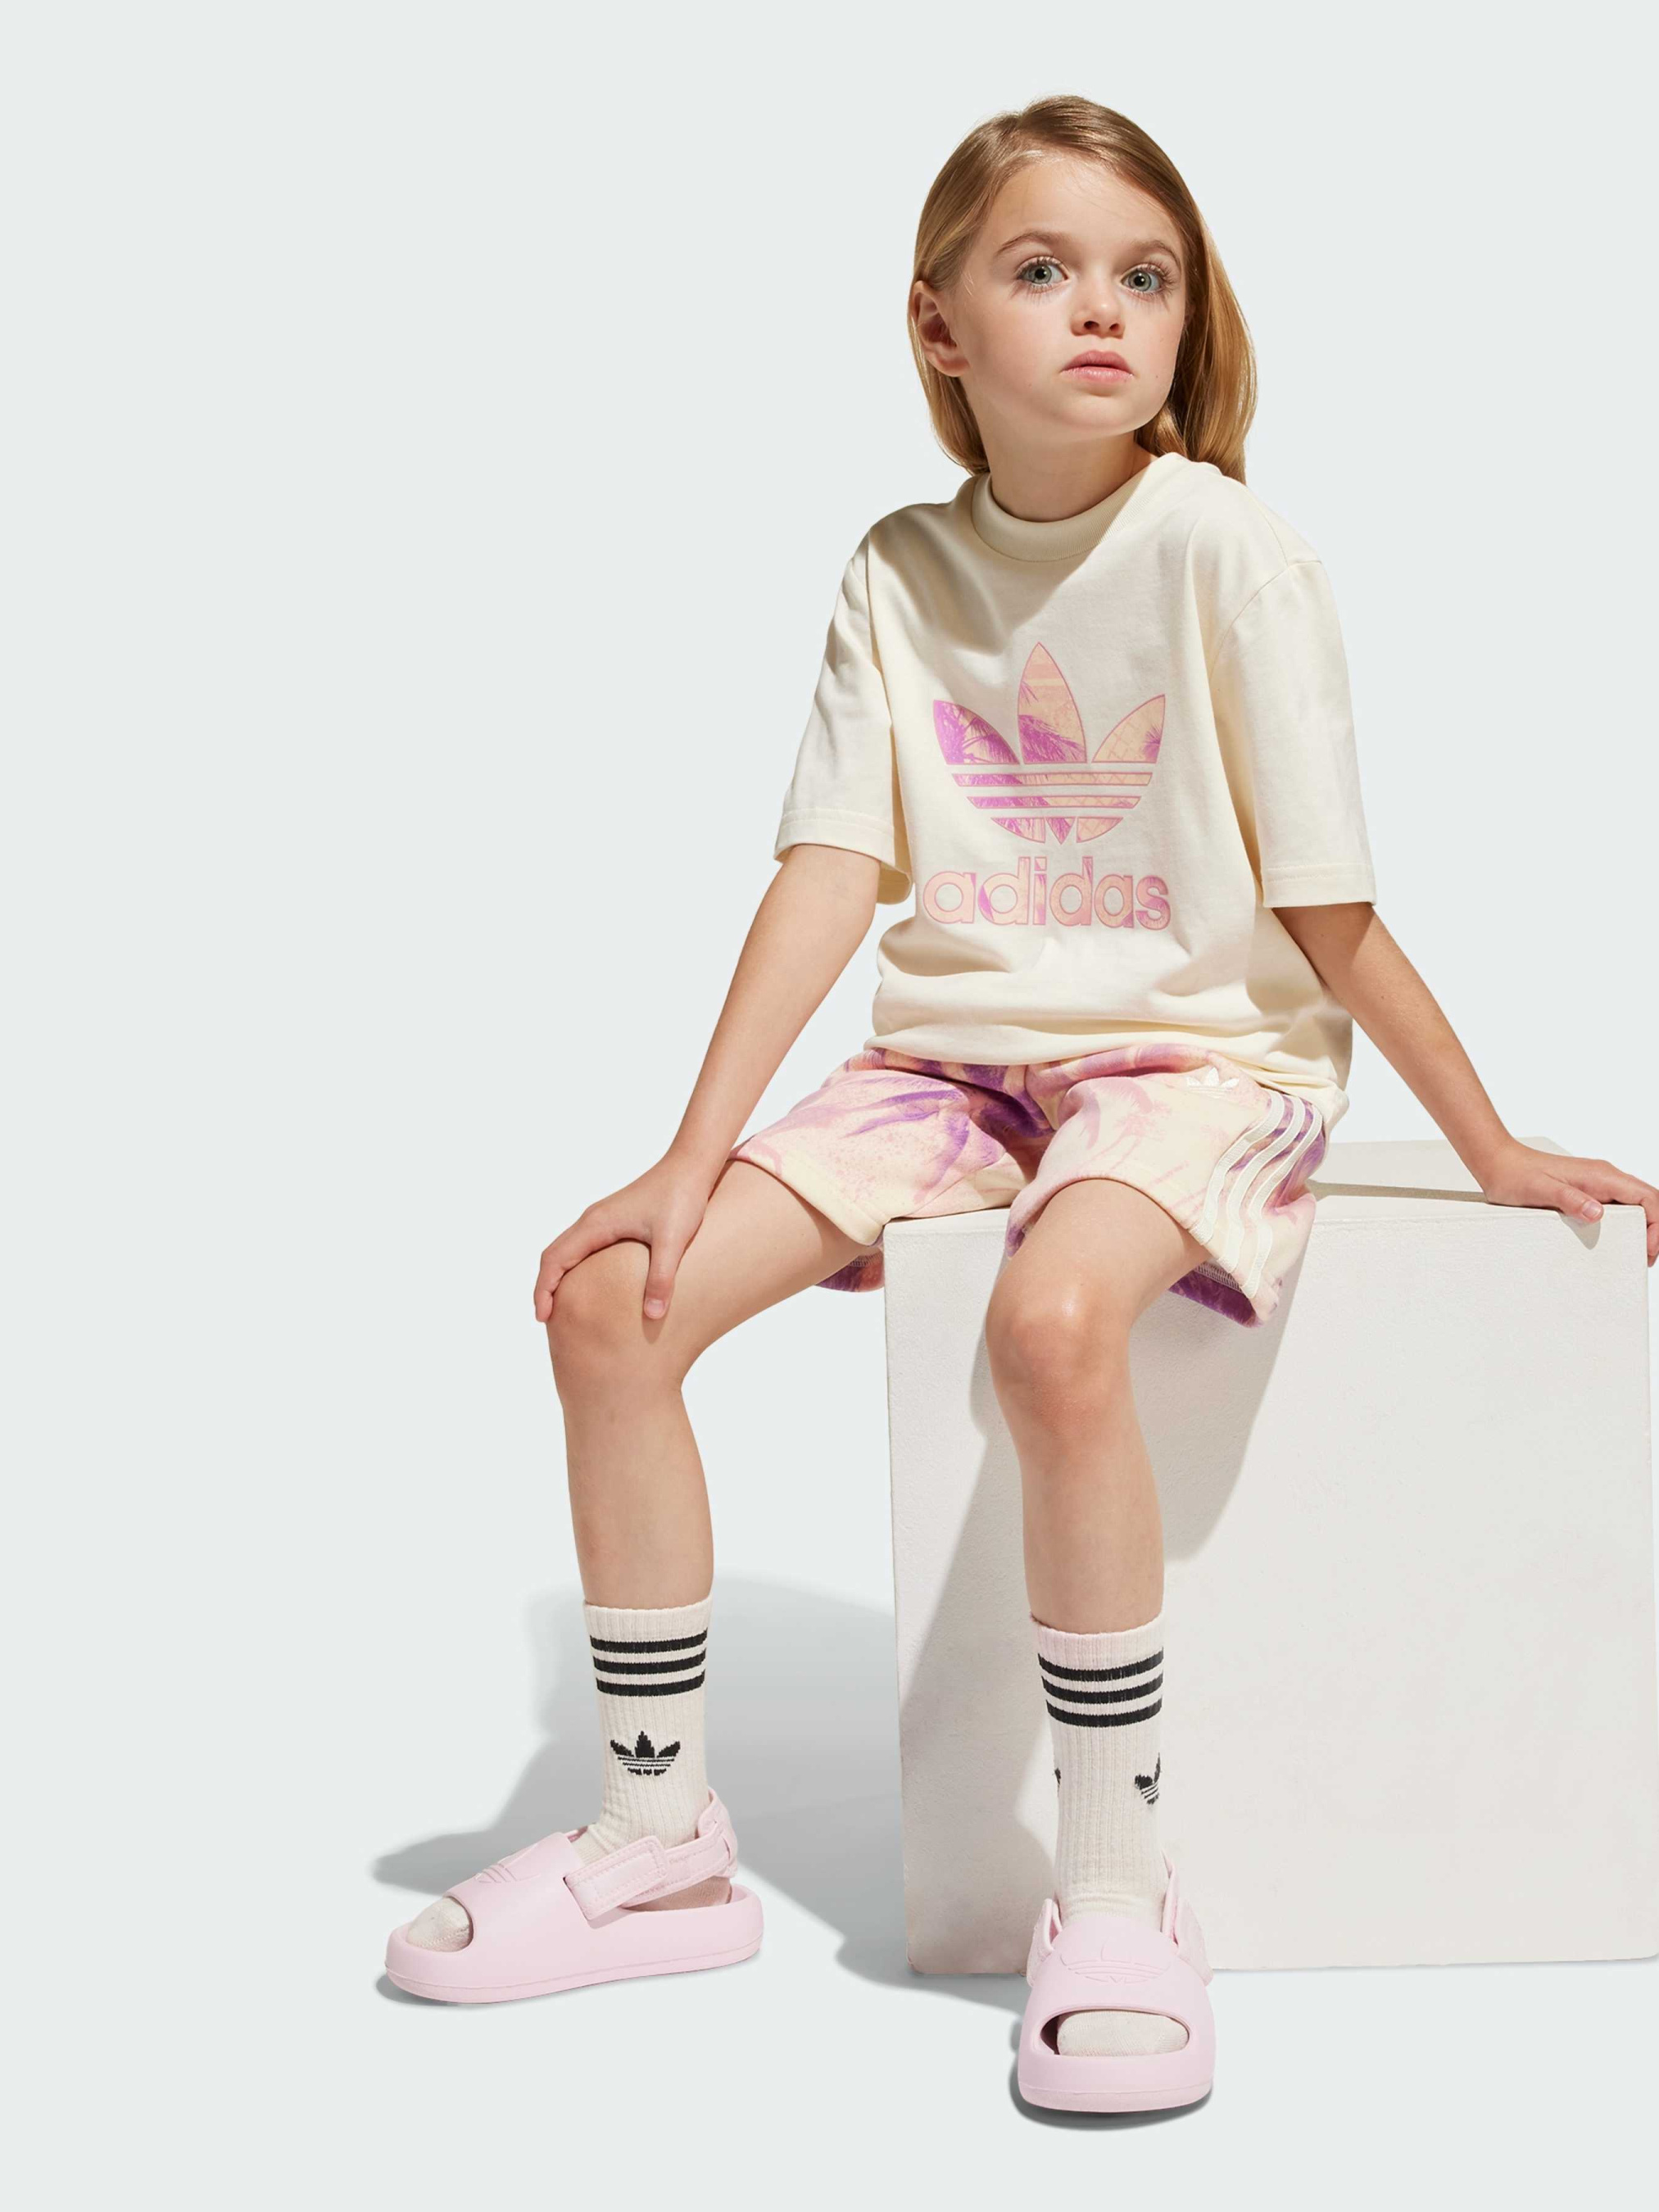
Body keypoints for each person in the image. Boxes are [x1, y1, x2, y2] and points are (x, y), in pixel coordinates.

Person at [383, 95, 1659, 2110]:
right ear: (936, 323)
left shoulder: (1229, 551)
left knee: (1050, 1322)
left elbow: (1323, 907)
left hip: (1198, 1062)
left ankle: (1121, 1888)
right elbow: (830, 872)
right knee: (613, 1304)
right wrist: (687, 1160)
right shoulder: (897, 569)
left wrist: (1488, 1143)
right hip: (955, 1069)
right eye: (1041, 268)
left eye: (1143, 275)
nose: (1101, 311)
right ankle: (654, 1838)